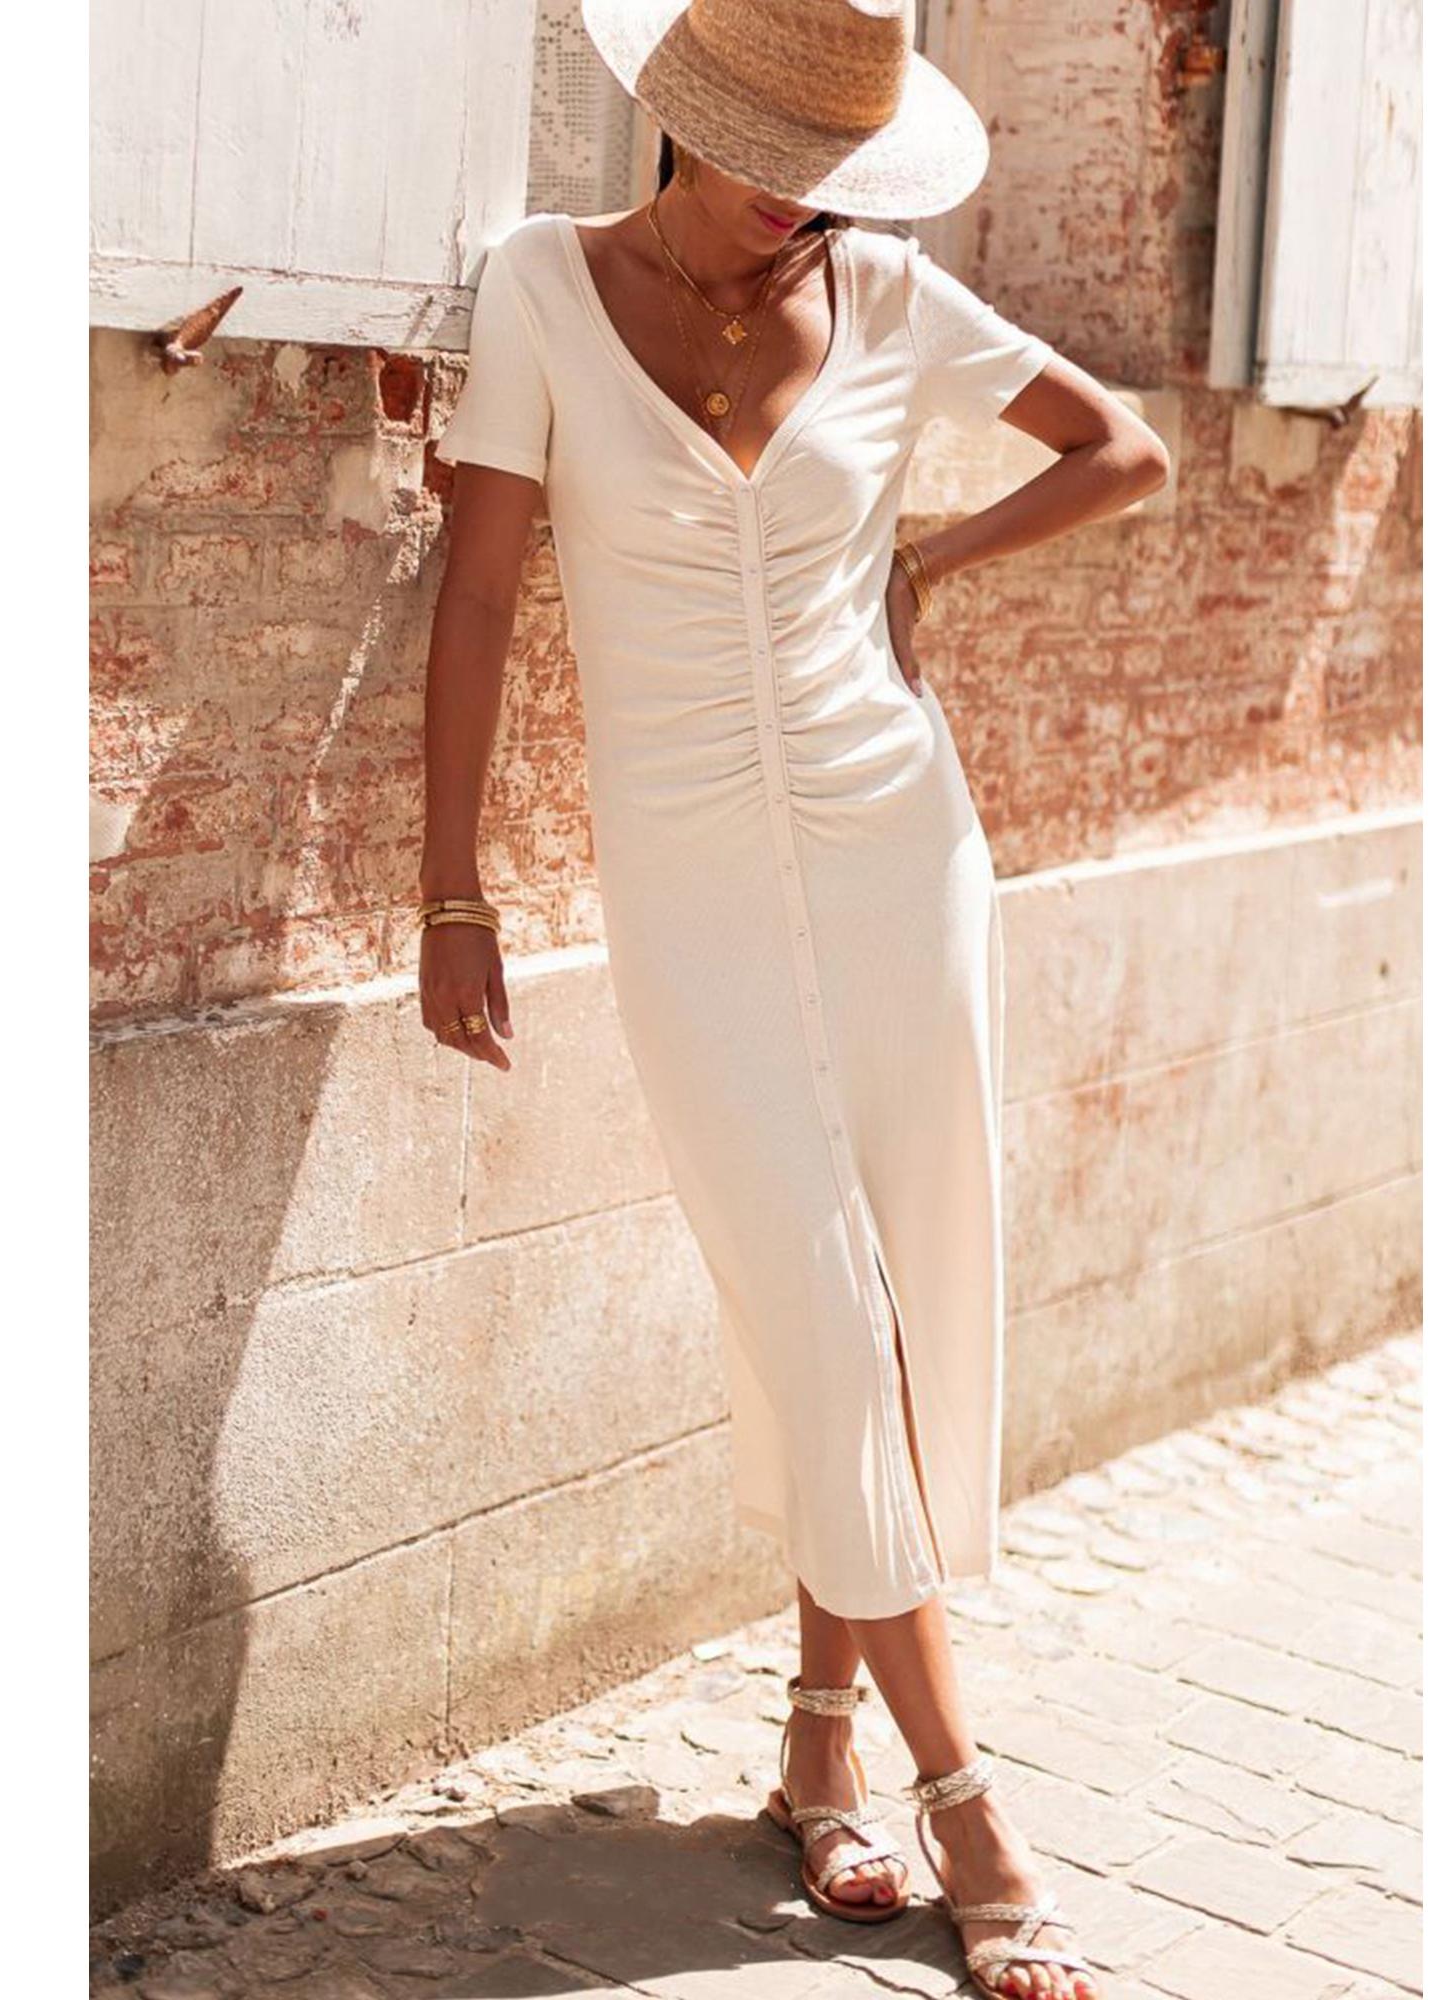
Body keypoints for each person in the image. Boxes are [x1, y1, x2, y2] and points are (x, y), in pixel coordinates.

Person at [420, 4, 1167, 1994]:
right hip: (686, 887)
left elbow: (1126, 449)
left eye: (838, 179)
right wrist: (449, 888)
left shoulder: (890, 296)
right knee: (819, 1309)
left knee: (896, 1301)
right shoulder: (539, 288)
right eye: (777, 166)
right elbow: (477, 595)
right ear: (683, 116)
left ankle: (821, 1745)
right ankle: (967, 1800)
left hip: (895, 843)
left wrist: (930, 563)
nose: (801, 210)